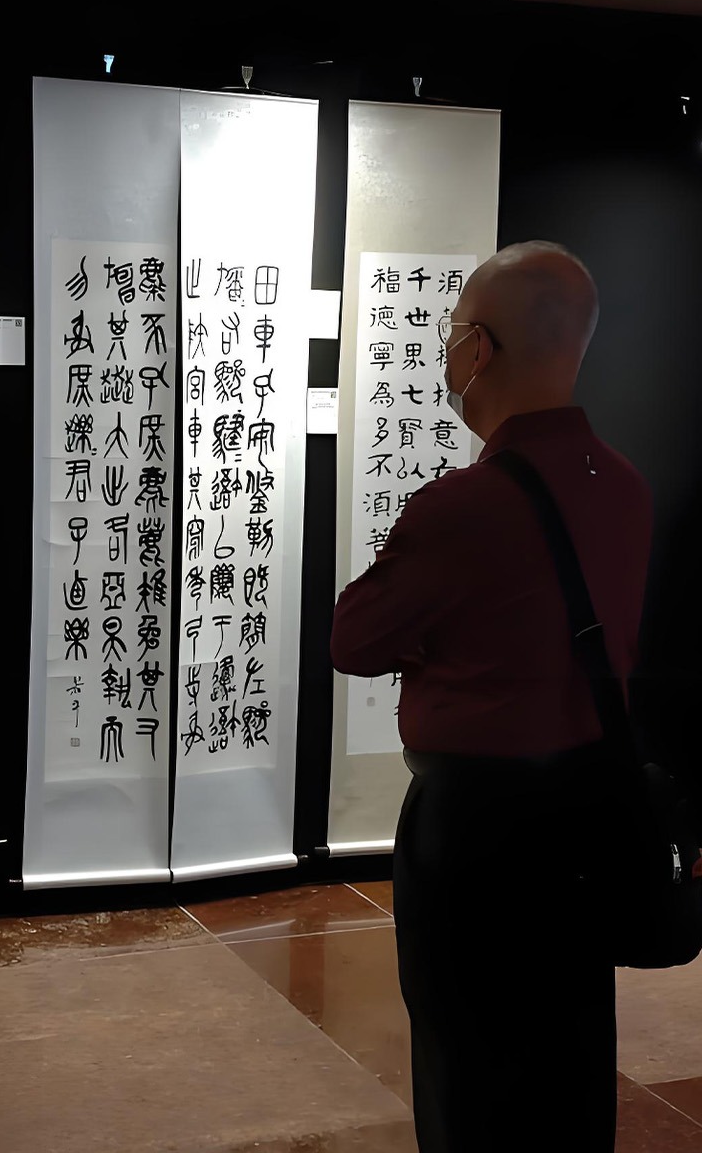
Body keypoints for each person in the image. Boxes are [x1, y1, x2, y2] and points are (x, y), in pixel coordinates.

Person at [331, 241, 651, 1152]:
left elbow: (356, 639)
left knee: (469, 1064)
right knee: (571, 1054)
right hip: (589, 809)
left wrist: (438, 644)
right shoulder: (625, 485)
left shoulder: (462, 505)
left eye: (452, 332)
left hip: (477, 830)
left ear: (477, 347)